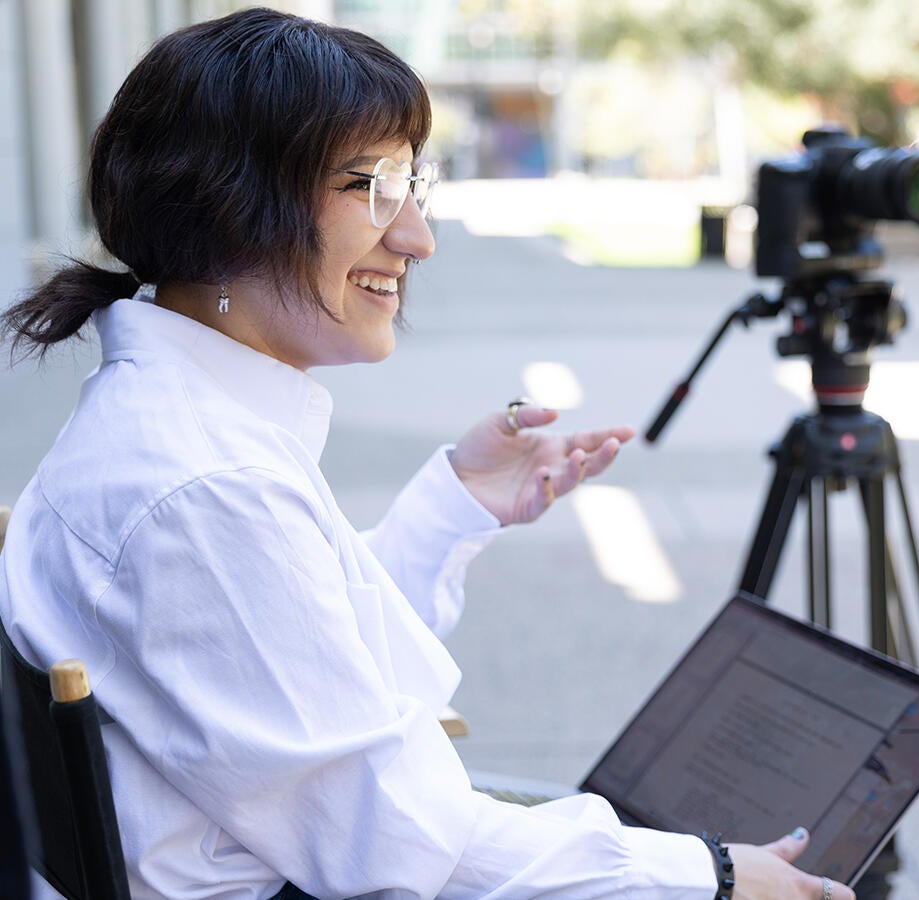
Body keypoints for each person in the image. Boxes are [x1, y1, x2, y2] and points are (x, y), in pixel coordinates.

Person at [0, 8, 854, 900]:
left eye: (417, 188)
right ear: (225, 201)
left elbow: (288, 662)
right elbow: (402, 842)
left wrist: (453, 503)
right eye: (373, 189)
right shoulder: (205, 485)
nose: (416, 238)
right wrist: (711, 875)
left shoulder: (181, 427)